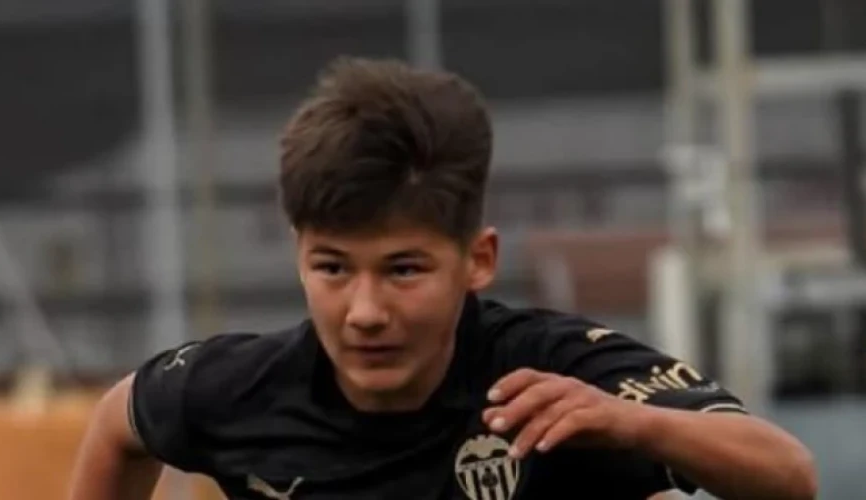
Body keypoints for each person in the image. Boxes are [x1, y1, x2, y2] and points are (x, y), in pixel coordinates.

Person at [68, 57, 816, 500]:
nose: (365, 311)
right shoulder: (241, 390)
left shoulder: (552, 382)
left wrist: (634, 424)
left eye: (404, 270)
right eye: (332, 268)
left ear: (477, 260)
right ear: (299, 254)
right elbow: (117, 425)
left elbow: (788, 475)